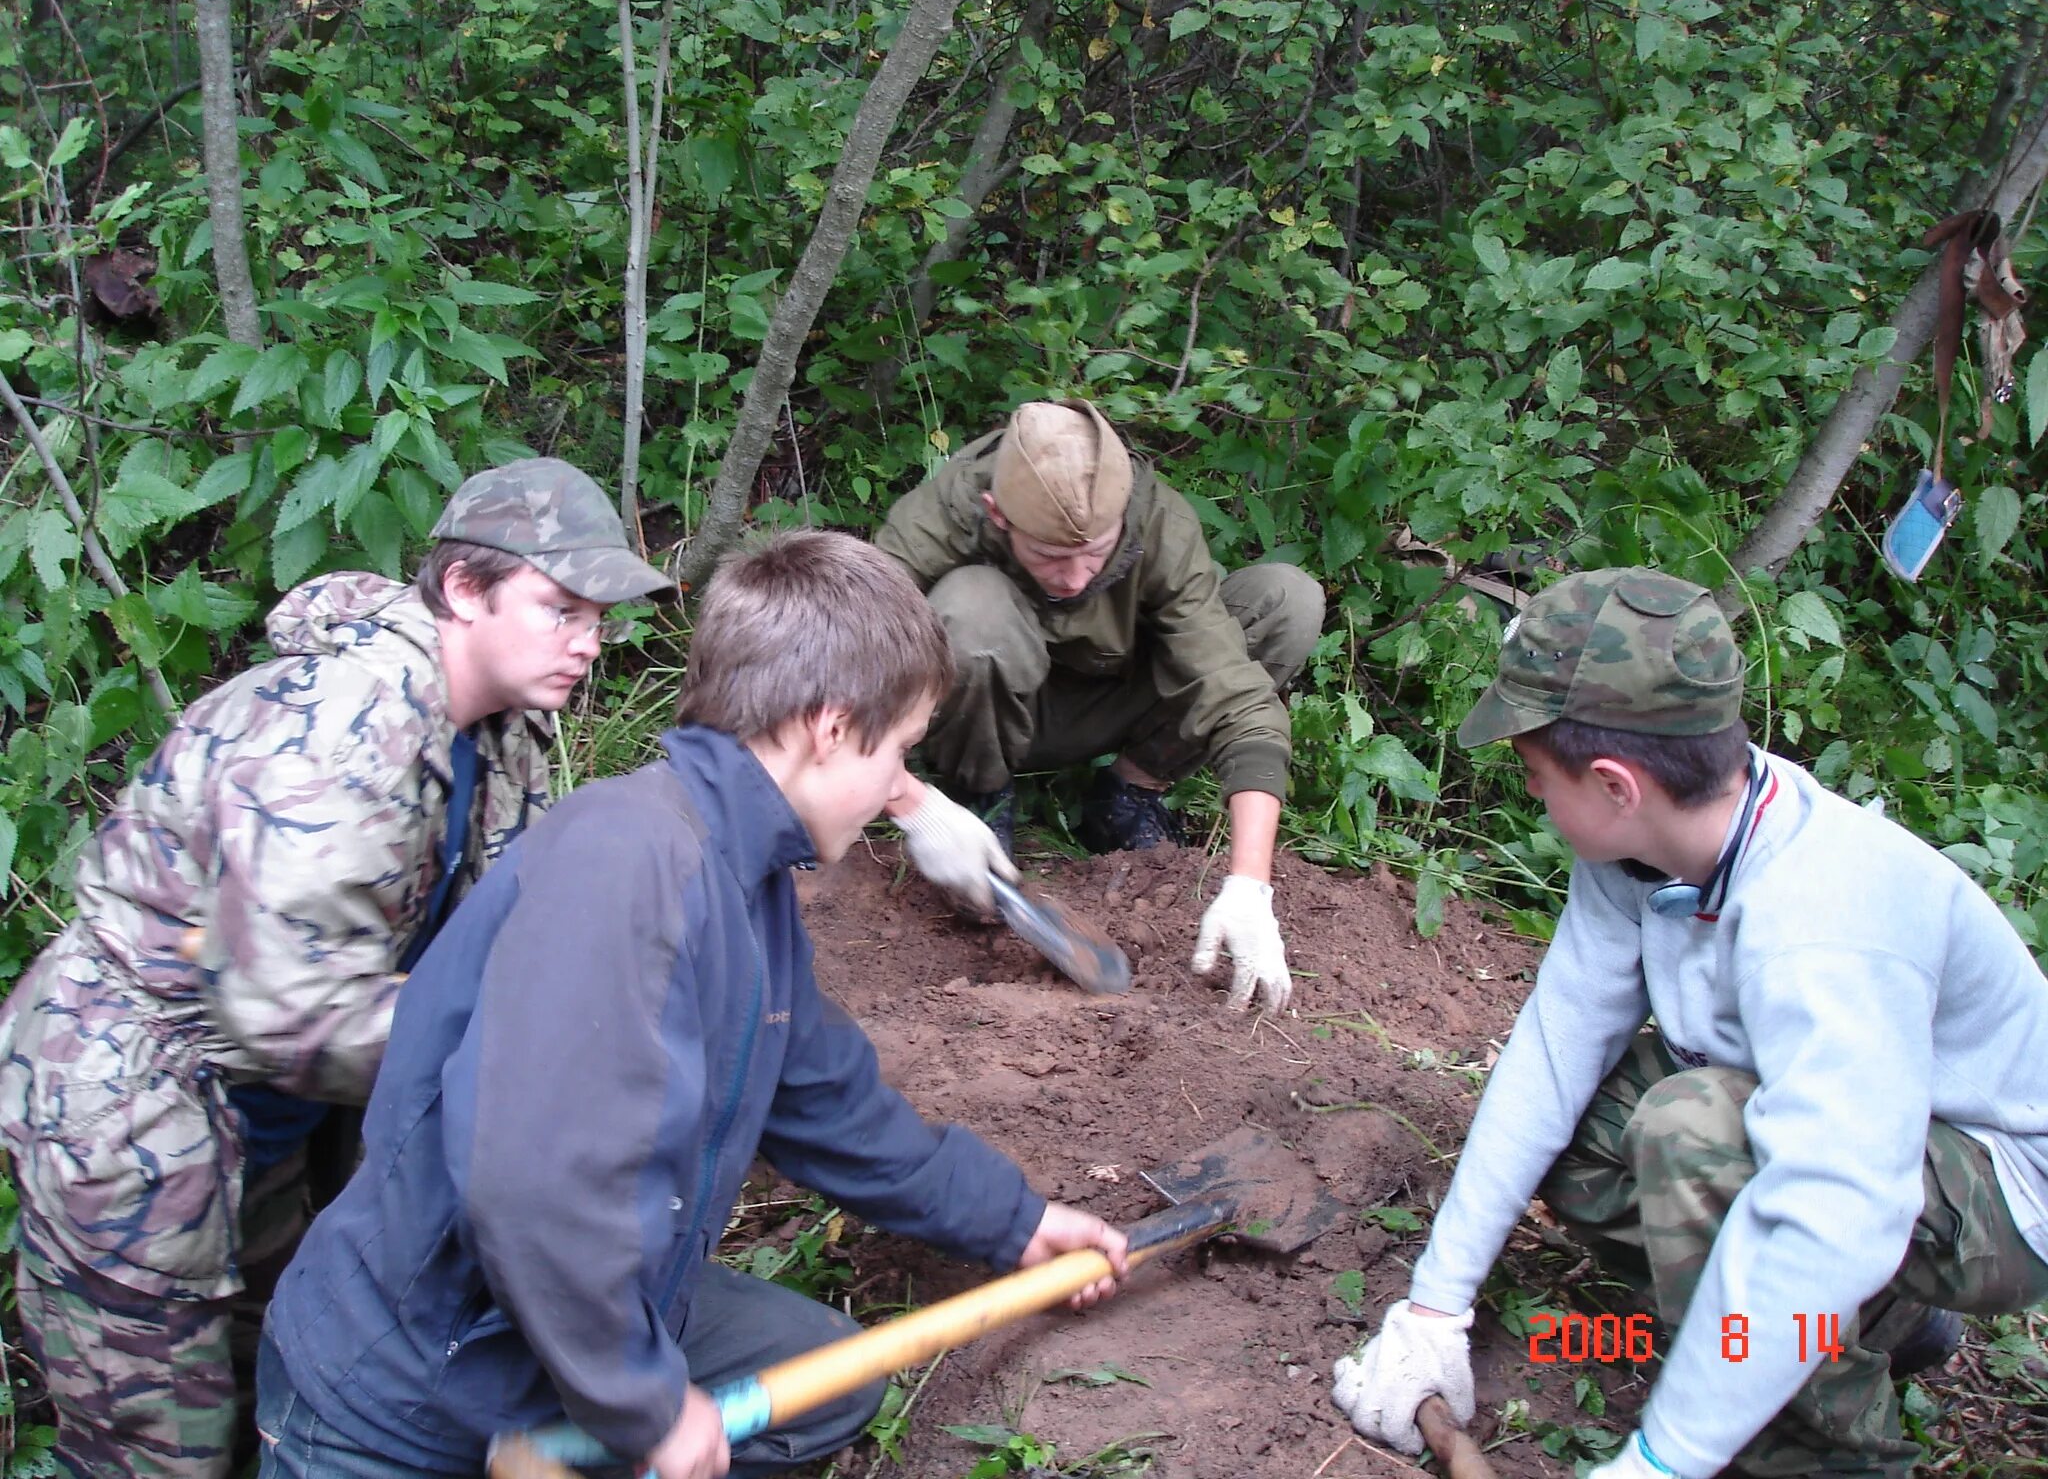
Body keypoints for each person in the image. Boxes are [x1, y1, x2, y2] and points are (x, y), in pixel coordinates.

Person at [254, 530, 1129, 1479]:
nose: (894, 792)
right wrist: (647, 1404)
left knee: (826, 1383)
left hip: (580, 1328)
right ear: (828, 727)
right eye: (902, 752)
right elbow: (531, 1186)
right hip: (419, 1388)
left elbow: (819, 1096)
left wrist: (1011, 1220)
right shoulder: (627, 863)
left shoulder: (739, 873)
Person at [0, 457, 674, 1479]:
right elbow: (290, 1010)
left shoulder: (500, 727)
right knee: (157, 1446)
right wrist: (538, 1051)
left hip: (269, 1120)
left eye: (598, 617)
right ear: (462, 590)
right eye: (560, 608)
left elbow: (504, 922)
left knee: (283, 1373)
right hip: (132, 1115)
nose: (588, 641)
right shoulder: (331, 735)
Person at [1328, 568, 2048, 1479]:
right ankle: (1847, 1326)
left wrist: (1663, 1460)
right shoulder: (1646, 854)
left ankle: (1820, 1453)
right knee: (1590, 1127)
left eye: (1537, 778)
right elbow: (1554, 1056)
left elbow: (1840, 1208)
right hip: (1849, 1143)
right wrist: (1437, 1307)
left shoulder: (1821, 921)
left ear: (1616, 784)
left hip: (1999, 1189)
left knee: (1689, 1130)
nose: (1534, 801)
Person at [874, 398, 1323, 1014]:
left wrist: (1250, 885)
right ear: (997, 516)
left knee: (1285, 601)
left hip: (1114, 698)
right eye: (1051, 556)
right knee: (971, 608)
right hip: (986, 701)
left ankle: (1126, 796)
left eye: (1096, 552)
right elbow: (850, 648)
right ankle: (981, 799)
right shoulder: (946, 513)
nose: (1077, 578)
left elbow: (1232, 690)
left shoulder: (1156, 519)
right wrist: (915, 805)